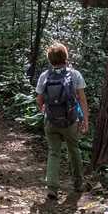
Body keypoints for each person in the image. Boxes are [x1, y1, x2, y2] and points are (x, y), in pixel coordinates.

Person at [35, 41, 89, 203]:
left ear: (50, 59)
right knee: (74, 150)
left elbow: (39, 100)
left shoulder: (45, 76)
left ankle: (52, 188)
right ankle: (78, 184)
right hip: (70, 121)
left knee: (54, 152)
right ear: (65, 57)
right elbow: (82, 100)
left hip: (51, 121)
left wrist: (45, 112)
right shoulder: (75, 75)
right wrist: (85, 120)